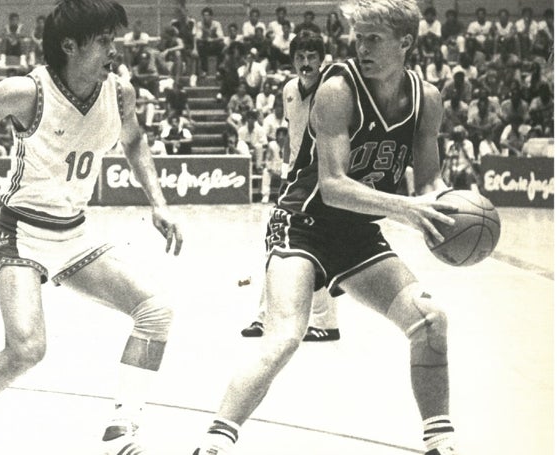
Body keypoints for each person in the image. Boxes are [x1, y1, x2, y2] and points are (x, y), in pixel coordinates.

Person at [0, 2, 183, 455]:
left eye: (114, 40)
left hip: (74, 235)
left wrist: (159, 203)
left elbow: (133, 140)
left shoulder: (119, 93)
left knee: (156, 312)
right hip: (21, 232)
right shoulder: (27, 92)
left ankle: (122, 429)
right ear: (69, 46)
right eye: (103, 42)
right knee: (26, 351)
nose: (114, 51)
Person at [192, 1, 461, 454]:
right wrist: (407, 208)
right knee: (283, 336)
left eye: (374, 38)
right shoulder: (338, 88)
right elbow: (334, 186)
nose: (362, 47)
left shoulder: (426, 99)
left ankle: (441, 442)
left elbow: (431, 179)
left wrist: (450, 207)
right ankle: (213, 443)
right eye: (359, 38)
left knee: (431, 322)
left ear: (406, 43)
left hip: (356, 235)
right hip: (302, 224)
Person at [241, 31, 342, 343]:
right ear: (293, 58)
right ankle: (265, 317)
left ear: (322, 58)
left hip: (325, 177)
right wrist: (285, 171)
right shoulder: (287, 89)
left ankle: (326, 322)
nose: (306, 62)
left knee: (314, 248)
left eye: (313, 56)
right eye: (301, 56)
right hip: (296, 179)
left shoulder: (334, 89)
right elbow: (290, 133)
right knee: (277, 244)